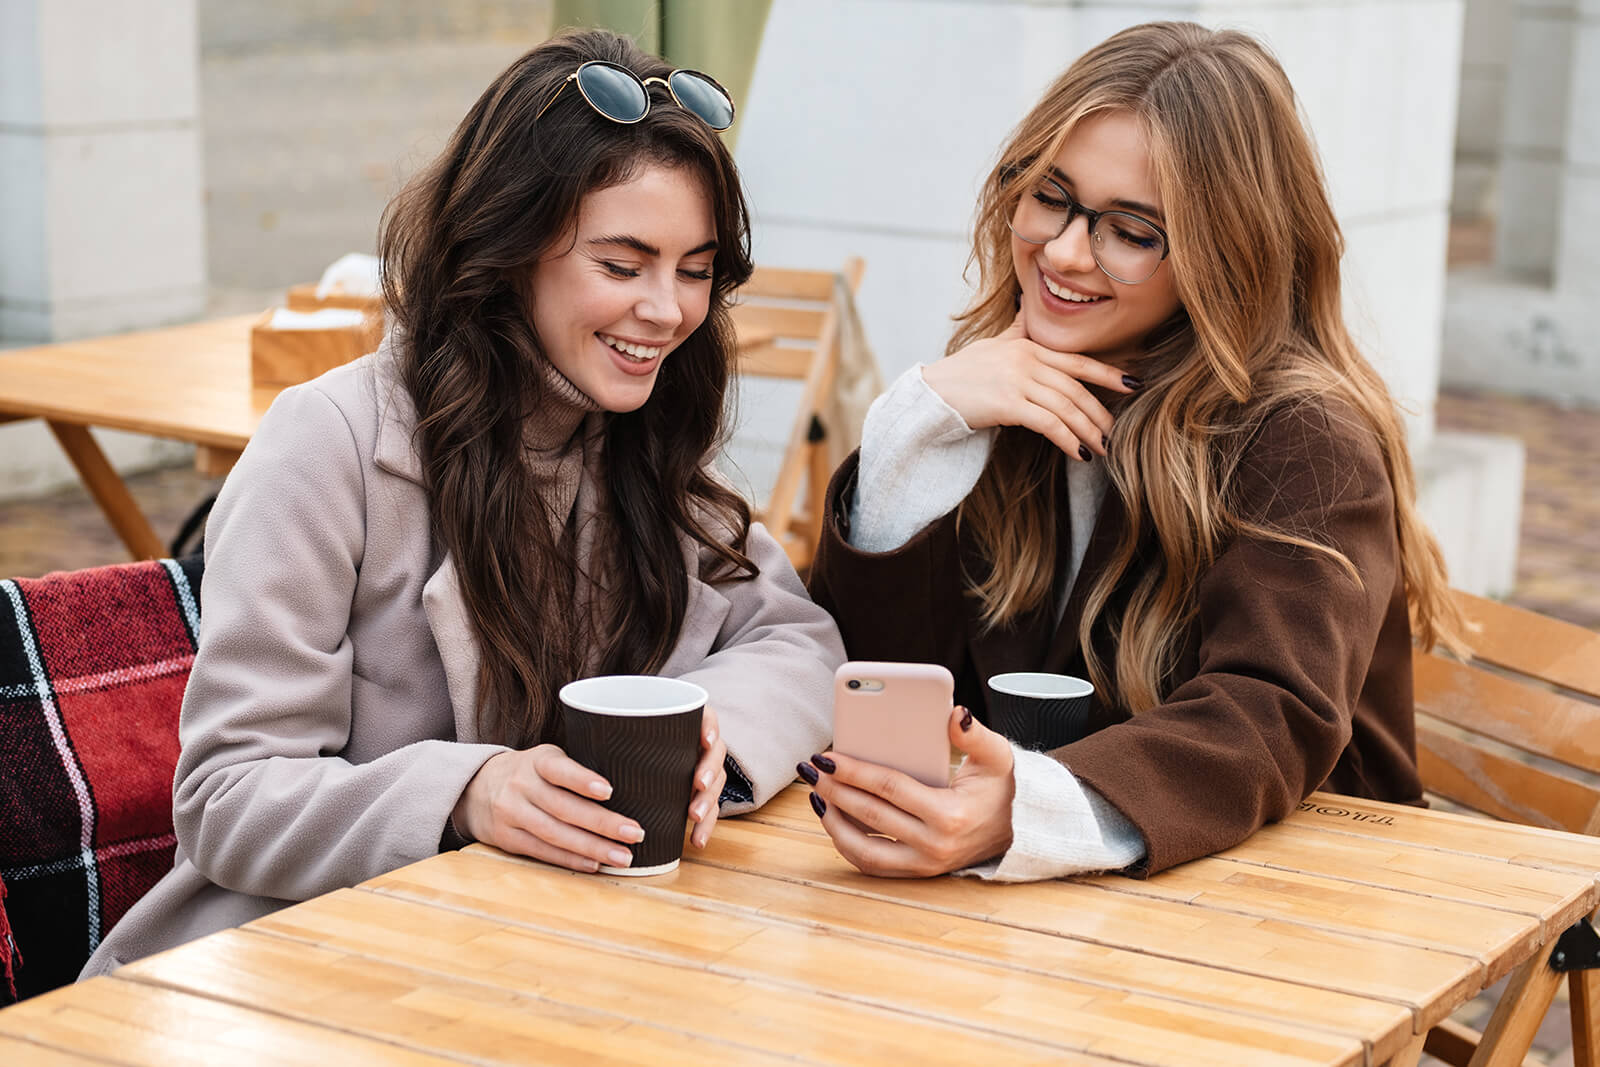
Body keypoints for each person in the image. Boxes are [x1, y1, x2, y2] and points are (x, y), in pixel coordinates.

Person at [83, 28, 843, 977]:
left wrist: (709, 738)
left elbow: (800, 640)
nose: (667, 311)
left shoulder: (645, 437)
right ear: (510, 245)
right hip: (289, 971)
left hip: (533, 959)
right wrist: (468, 791)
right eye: (622, 264)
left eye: (695, 270)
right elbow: (227, 799)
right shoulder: (331, 442)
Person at [802, 21, 1463, 882]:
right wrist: (911, 431)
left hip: (1298, 906)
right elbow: (895, 690)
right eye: (1050, 194)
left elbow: (1267, 714)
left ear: (1225, 253)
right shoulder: (1019, 388)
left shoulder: (1306, 439)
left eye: (1132, 230)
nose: (1065, 251)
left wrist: (1024, 810)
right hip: (1073, 917)